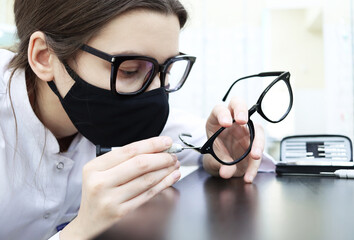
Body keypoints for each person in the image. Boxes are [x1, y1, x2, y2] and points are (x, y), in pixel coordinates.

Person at [0, 0, 265, 239]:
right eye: (129, 70)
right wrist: (78, 234)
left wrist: (219, 152)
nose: (154, 94)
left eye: (166, 70)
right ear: (44, 57)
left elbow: (209, 146)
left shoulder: (125, 102)